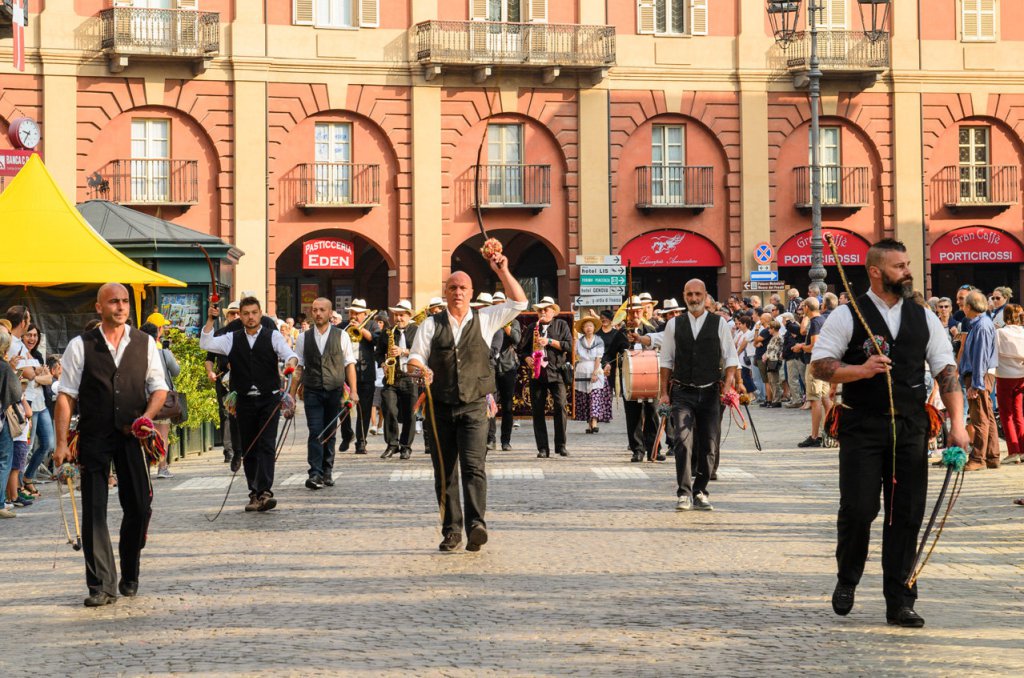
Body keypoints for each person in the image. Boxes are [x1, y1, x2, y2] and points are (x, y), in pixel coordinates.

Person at [809, 238, 968, 628]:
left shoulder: (924, 317)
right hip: (862, 425)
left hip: (911, 427)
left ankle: (900, 600)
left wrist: (959, 425)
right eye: (900, 266)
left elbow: (946, 371)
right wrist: (859, 371)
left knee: (907, 515)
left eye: (908, 264)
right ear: (875, 271)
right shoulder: (847, 315)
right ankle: (848, 577)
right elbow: (820, 365)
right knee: (859, 509)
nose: (908, 272)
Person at [51, 283, 170, 606]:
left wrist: (147, 417)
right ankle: (101, 585)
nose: (120, 307)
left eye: (125, 301)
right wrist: (61, 443)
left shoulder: (145, 343)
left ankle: (129, 571)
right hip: (94, 435)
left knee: (139, 506)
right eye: (113, 302)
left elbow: (158, 388)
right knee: (94, 511)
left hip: (133, 435)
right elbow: (66, 396)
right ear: (99, 307)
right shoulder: (81, 345)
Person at [406, 254, 527, 552]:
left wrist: (503, 270)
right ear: (446, 292)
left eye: (463, 288)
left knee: (474, 468)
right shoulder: (430, 325)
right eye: (453, 288)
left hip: (474, 405)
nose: (458, 292)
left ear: (471, 293)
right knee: (445, 471)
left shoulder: (486, 319)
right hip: (440, 406)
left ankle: (476, 526)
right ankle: (452, 531)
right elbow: (415, 358)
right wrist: (421, 369)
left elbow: (520, 303)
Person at [200, 296, 297, 512]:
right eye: (246, 314)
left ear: (260, 313)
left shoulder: (272, 335)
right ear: (241, 317)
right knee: (249, 447)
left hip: (269, 398)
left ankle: (265, 491)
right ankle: (254, 492)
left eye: (254, 313)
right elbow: (205, 343)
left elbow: (289, 354)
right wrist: (210, 319)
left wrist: (290, 363)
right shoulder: (231, 338)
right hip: (243, 399)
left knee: (267, 445)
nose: (250, 317)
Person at [658, 279, 739, 511]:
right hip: (682, 391)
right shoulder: (673, 324)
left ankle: (701, 491)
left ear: (705, 295)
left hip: (711, 391)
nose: (694, 298)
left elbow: (731, 358)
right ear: (684, 295)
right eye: (690, 294)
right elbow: (666, 361)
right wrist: (663, 393)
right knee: (683, 442)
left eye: (698, 294)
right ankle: (684, 493)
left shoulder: (719, 323)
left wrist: (727, 387)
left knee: (710, 445)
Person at [291, 297, 357, 489]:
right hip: (312, 390)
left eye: (322, 310)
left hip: (334, 390)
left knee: (330, 431)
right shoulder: (303, 337)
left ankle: (327, 470)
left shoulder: (342, 336)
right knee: (315, 430)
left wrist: (353, 391)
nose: (318, 313)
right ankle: (315, 473)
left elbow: (349, 364)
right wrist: (291, 395)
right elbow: (299, 367)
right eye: (315, 310)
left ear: (330, 312)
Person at [521, 296, 571, 458]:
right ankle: (542, 448)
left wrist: (550, 341)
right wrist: (527, 358)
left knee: (560, 407)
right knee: (537, 411)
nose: (542, 312)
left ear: (553, 312)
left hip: (557, 372)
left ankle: (561, 445)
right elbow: (522, 349)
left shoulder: (561, 325)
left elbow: (569, 346)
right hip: (537, 374)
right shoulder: (531, 327)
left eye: (546, 309)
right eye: (540, 310)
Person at [959, 289, 1000, 471]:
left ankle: (978, 458)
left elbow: (980, 357)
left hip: (979, 375)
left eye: (963, 304)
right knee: (987, 415)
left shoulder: (982, 325)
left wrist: (976, 384)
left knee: (979, 417)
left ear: (969, 306)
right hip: (982, 374)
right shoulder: (981, 323)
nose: (962, 307)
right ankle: (992, 456)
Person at [617, 297, 659, 462]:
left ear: (642, 312)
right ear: (626, 314)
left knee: (652, 414)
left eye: (638, 312)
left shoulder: (651, 329)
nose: (635, 315)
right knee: (633, 416)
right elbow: (609, 354)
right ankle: (637, 450)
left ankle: (654, 449)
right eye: (632, 312)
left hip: (651, 378)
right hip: (630, 381)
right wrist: (607, 366)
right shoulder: (621, 333)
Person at [376, 300, 419, 460]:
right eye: (396, 315)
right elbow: (378, 353)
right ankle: (392, 445)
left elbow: (422, 351)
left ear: (409, 316)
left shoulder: (416, 331)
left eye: (402, 315)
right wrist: (383, 364)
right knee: (389, 409)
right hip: (392, 377)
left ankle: (406, 447)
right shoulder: (388, 332)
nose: (398, 318)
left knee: (410, 413)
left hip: (410, 377)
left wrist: (403, 351)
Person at [338, 299, 378, 455]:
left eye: (357, 313)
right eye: (351, 312)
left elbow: (377, 339)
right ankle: (347, 434)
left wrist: (361, 330)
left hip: (365, 374)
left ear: (364, 314)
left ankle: (361, 442)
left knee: (364, 410)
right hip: (344, 374)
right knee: (342, 406)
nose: (353, 316)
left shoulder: (372, 325)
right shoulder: (342, 326)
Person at [141, 315, 179, 479]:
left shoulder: (136, 353)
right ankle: (162, 467)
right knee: (162, 433)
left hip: (142, 398)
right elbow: (176, 372)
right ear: (158, 331)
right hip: (162, 398)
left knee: (144, 431)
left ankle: (145, 467)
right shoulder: (163, 353)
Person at [21, 324, 54, 496]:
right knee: (26, 447)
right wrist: (39, 376)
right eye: (29, 335)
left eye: (35, 335)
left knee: (48, 444)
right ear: (22, 336)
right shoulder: (19, 353)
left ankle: (27, 477)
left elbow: (49, 379)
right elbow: (29, 377)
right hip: (28, 405)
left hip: (42, 405)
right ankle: (19, 486)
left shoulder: (38, 355)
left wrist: (37, 377)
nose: (32, 338)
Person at [206, 301, 241, 463]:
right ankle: (229, 450)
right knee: (227, 413)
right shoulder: (219, 334)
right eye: (232, 313)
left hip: (243, 380)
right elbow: (209, 358)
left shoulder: (247, 334)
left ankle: (241, 447)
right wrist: (210, 372)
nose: (235, 316)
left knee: (243, 413)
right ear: (227, 316)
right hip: (224, 381)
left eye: (238, 313)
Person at [797, 297, 831, 447]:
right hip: (823, 362)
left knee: (815, 399)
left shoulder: (816, 322)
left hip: (815, 363)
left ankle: (815, 436)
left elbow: (814, 346)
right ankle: (830, 432)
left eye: (803, 306)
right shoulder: (822, 320)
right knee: (825, 398)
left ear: (807, 307)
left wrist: (801, 347)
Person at [489, 292, 521, 451]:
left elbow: (517, 340)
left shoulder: (513, 320)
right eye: (495, 304)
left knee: (507, 406)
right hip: (491, 366)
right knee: (490, 404)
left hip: (508, 366)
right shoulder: (489, 321)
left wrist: (506, 326)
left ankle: (505, 440)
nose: (498, 307)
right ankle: (491, 439)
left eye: (501, 303)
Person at [994, 304, 1024, 465]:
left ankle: (1013, 451)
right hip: (1021, 376)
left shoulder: (1000, 333)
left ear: (1005, 317)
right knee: (1018, 413)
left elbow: (993, 353)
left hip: (1005, 375)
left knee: (1006, 414)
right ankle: (1022, 449)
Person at [573, 315, 611, 433]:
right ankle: (589, 424)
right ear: (583, 329)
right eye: (586, 326)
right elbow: (574, 355)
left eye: (590, 326)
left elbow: (598, 357)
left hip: (595, 368)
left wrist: (595, 372)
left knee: (595, 395)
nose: (588, 328)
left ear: (594, 328)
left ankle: (594, 422)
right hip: (582, 369)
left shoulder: (598, 340)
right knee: (585, 397)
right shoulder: (579, 341)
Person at [762, 321, 784, 408]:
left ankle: (777, 400)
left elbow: (775, 350)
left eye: (770, 328)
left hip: (774, 361)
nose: (768, 330)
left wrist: (766, 356)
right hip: (770, 360)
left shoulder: (778, 338)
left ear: (773, 329)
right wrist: (765, 355)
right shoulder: (773, 338)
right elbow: (769, 349)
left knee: (775, 381)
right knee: (772, 380)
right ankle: (775, 399)